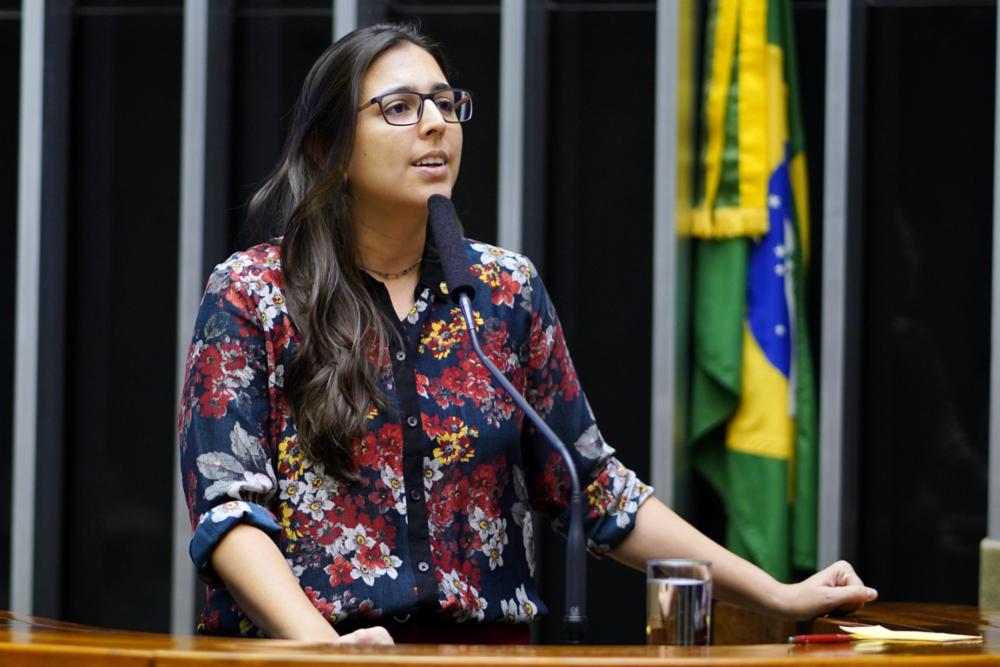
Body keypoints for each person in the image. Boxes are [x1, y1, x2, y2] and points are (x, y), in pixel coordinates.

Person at [177, 22, 877, 646]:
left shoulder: (503, 291)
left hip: (489, 652)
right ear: (330, 145)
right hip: (308, 652)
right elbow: (228, 507)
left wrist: (779, 595)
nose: (436, 125)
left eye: (447, 105)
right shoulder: (254, 293)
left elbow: (594, 487)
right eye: (400, 107)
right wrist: (321, 645)